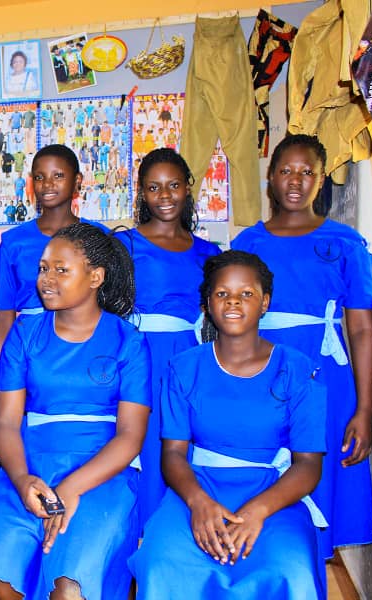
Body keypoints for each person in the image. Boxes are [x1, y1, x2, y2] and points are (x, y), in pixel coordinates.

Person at [129, 250, 328, 598]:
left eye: (246, 294)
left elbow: (309, 466)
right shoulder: (183, 368)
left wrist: (257, 511)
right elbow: (173, 454)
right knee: (161, 562)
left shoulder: (297, 370)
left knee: (289, 570)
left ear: (265, 302)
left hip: (272, 497)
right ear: (207, 302)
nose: (233, 302)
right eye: (222, 293)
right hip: (198, 490)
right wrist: (198, 503)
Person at [0, 222, 149, 599]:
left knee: (69, 587)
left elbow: (130, 437)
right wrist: (22, 480)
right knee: (3, 574)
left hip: (102, 473)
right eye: (42, 268)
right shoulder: (24, 333)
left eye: (61, 269)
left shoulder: (128, 341)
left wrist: (71, 488)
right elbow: (5, 422)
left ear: (96, 277)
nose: (46, 279)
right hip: (29, 466)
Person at [231, 134, 372, 558]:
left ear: (321, 179)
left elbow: (363, 330)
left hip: (324, 375)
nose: (296, 180)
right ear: (271, 179)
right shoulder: (248, 244)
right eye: (286, 171)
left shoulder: (347, 243)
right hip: (262, 373)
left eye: (307, 172)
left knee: (317, 469)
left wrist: (364, 410)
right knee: (265, 470)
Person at [117, 148, 221, 528]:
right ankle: (139, 536)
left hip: (190, 360)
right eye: (154, 187)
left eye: (174, 185)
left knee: (183, 444)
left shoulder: (209, 252)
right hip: (139, 357)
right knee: (142, 443)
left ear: (188, 188)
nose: (165, 195)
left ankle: (180, 534)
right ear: (141, 193)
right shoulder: (123, 245)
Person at [0, 144, 107, 349]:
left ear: (77, 180)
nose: (47, 184)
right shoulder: (14, 241)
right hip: (28, 344)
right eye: (39, 177)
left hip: (85, 342)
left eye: (58, 176)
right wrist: (3, 364)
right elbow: (4, 312)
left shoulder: (99, 236)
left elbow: (110, 303)